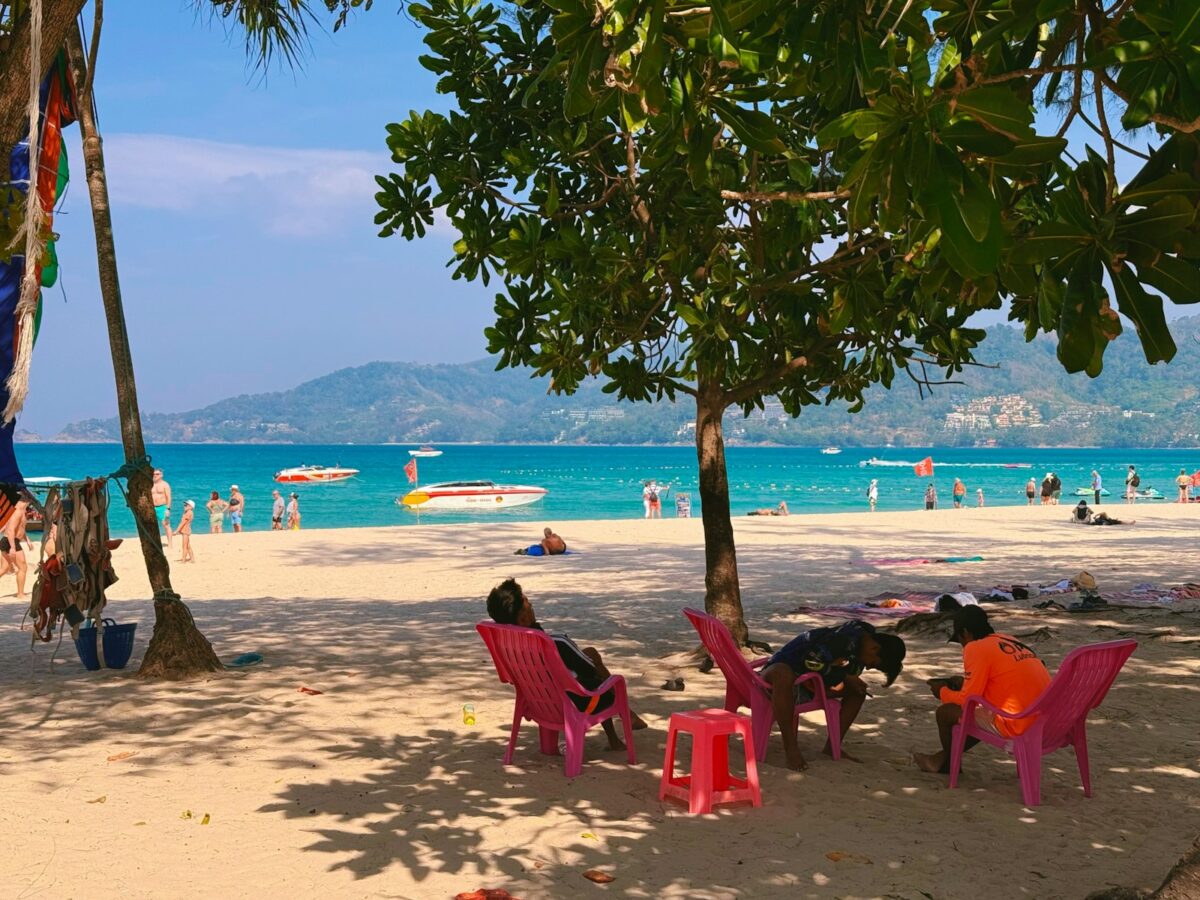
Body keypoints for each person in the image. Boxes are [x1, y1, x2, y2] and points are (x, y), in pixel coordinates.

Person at [485, 578, 647, 748]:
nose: (531, 604)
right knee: (597, 674)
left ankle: (616, 734)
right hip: (575, 704)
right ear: (523, 619)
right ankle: (626, 718)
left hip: (538, 704)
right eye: (527, 602)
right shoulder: (556, 643)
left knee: (589, 655)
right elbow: (589, 668)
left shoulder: (511, 647)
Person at [914, 606, 1050, 775]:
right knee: (975, 714)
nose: (962, 646)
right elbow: (1001, 683)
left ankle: (948, 765)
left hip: (1019, 724)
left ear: (965, 633)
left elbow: (967, 701)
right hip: (1047, 721)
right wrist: (965, 683)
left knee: (945, 712)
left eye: (960, 640)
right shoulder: (1010, 640)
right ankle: (942, 759)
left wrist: (942, 691)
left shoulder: (975, 648)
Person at [761, 620, 906, 770]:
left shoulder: (861, 641)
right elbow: (810, 662)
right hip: (777, 680)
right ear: (874, 648)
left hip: (808, 683)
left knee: (858, 691)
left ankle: (833, 746)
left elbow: (839, 671)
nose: (868, 667)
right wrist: (845, 676)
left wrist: (845, 677)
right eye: (873, 663)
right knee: (783, 673)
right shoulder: (842, 640)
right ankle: (791, 748)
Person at [0, 497, 30, 599]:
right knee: (23, 568)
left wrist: (27, 540)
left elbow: (20, 528)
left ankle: (20, 593)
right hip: (11, 541)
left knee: (4, 569)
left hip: (7, 541)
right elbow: (11, 530)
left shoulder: (21, 511)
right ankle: (20, 594)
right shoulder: (17, 512)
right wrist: (12, 547)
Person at [151, 468, 173, 548]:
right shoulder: (150, 484)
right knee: (152, 525)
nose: (155, 475)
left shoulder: (165, 484)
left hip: (162, 507)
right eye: (154, 474)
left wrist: (168, 508)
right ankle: (154, 543)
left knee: (166, 525)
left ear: (161, 475)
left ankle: (170, 544)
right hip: (152, 507)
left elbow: (169, 497)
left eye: (157, 474)